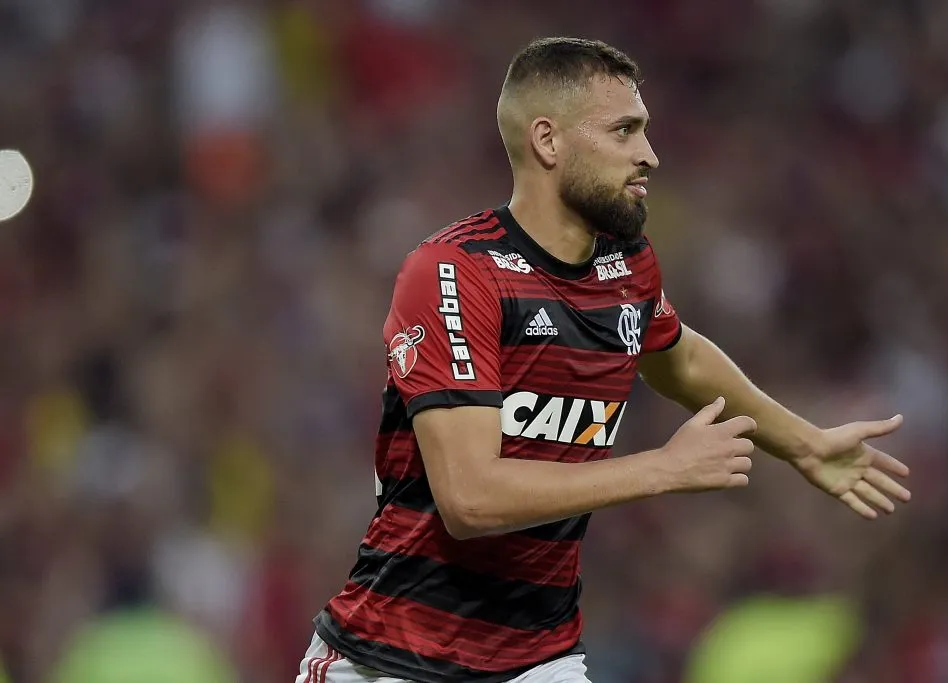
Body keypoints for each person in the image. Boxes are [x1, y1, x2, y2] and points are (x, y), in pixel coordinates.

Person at [294, 37, 913, 683]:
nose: (649, 154)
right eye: (624, 130)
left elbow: (682, 358)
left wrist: (804, 444)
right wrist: (660, 468)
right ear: (548, 142)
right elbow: (469, 498)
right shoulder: (456, 272)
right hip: (389, 659)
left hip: (537, 660)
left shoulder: (627, 265)